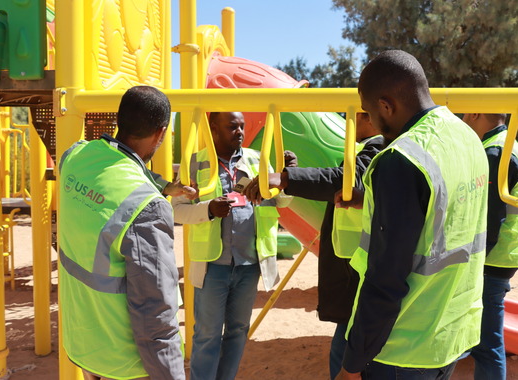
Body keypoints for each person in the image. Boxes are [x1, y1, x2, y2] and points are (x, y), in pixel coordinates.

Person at [334, 50, 489, 380]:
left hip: (402, 348)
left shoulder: (402, 159)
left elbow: (385, 279)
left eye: (370, 112)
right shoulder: (468, 139)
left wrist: (352, 364)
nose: (371, 123)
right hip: (450, 336)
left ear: (386, 105)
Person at [58, 86, 190, 380]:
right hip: (124, 364)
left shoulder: (74, 158)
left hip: (81, 345)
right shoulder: (147, 207)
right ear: (161, 133)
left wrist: (164, 185)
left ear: (120, 119)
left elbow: (117, 166)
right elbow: (156, 311)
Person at [243, 113, 384, 379]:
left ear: (371, 117)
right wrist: (290, 175)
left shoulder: (377, 148)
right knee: (345, 342)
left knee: (346, 348)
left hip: (356, 263)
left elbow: (343, 180)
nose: (349, 119)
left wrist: (287, 178)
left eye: (357, 114)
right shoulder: (369, 149)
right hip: (354, 260)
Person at [171, 111, 294, 380]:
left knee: (238, 330)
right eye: (231, 127)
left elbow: (281, 203)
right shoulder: (195, 162)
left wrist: (287, 177)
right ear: (213, 128)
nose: (239, 131)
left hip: (249, 263)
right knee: (207, 334)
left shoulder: (256, 160)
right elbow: (176, 211)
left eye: (242, 126)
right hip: (213, 265)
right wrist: (209, 210)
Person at [463, 113, 518, 380]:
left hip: (491, 258)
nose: (463, 118)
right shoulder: (508, 144)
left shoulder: (495, 152)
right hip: (504, 254)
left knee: (486, 345)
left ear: (476, 114)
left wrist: (471, 261)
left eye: (464, 113)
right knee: (487, 341)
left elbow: (490, 217)